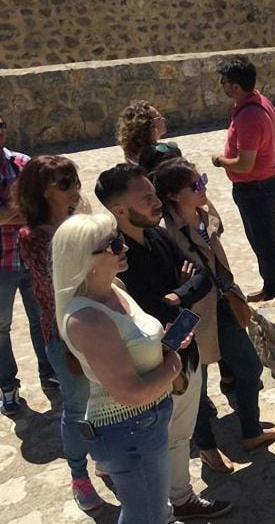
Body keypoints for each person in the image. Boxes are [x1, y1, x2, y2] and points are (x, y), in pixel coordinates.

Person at [95, 164, 233, 520]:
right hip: (150, 367)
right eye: (146, 198)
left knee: (179, 437)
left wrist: (174, 296)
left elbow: (201, 277)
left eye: (155, 195)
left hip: (185, 354)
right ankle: (163, 509)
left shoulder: (157, 235)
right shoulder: (113, 257)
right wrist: (178, 293)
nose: (157, 203)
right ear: (119, 209)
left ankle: (182, 499)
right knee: (155, 445)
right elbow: (137, 307)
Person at [152, 158, 275, 475]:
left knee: (250, 367)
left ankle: (251, 430)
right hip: (190, 316)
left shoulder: (203, 212)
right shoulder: (166, 232)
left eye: (202, 180)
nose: (203, 188)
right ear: (173, 195)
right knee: (194, 386)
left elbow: (217, 231)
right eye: (195, 185)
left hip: (222, 302)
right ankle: (207, 447)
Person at [54, 213, 185, 524]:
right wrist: (174, 364)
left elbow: (132, 343)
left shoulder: (115, 286)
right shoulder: (87, 319)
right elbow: (131, 393)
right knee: (146, 515)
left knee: (154, 509)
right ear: (87, 261)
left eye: (119, 239)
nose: (123, 247)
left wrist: (162, 344)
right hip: (128, 429)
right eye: (113, 245)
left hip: (146, 421)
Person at [14, 155, 103, 510]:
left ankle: (105, 459)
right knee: (77, 407)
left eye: (75, 181)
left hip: (101, 322)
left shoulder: (81, 220)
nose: (75, 189)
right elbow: (58, 286)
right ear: (42, 192)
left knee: (104, 399)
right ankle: (79, 475)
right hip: (65, 335)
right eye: (65, 184)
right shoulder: (32, 236)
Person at [211, 56, 275, 303]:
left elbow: (244, 165)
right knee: (263, 241)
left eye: (224, 82)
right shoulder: (259, 101)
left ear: (236, 86)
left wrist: (219, 160)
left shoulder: (248, 117)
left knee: (264, 243)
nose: (222, 86)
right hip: (262, 185)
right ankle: (271, 286)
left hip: (254, 188)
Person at [0, 114, 54, 416]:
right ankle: (8, 386)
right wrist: (23, 210)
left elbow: (42, 208)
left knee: (42, 317)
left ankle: (50, 372)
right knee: (1, 328)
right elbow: (30, 210)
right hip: (2, 263)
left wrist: (8, 213)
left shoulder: (23, 164)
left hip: (31, 257)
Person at [116, 100, 168, 165]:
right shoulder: (161, 156)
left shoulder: (131, 153)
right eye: (159, 117)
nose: (164, 119)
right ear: (148, 125)